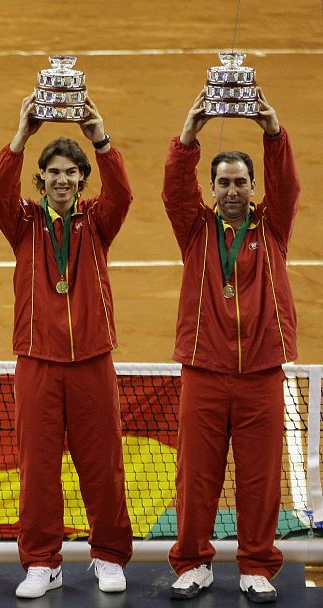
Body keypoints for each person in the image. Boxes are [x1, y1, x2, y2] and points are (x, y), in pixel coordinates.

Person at [0, 93, 134, 598]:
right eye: (54, 172)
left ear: (81, 180)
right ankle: (41, 563)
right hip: (37, 362)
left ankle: (109, 555)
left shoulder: (99, 221)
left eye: (73, 172)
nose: (64, 179)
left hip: (92, 359)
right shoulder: (22, 222)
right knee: (38, 469)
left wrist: (100, 138)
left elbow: (124, 194)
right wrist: (22, 135)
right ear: (41, 178)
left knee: (103, 465)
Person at [163, 88, 300, 604]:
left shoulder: (273, 227)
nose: (232, 190)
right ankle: (193, 562)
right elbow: (174, 191)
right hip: (203, 370)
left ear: (253, 186)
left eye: (241, 182)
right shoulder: (195, 229)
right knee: (195, 476)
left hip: (261, 372)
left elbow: (287, 184)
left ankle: (256, 565)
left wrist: (272, 129)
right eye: (223, 182)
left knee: (260, 477)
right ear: (212, 187)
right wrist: (189, 133)